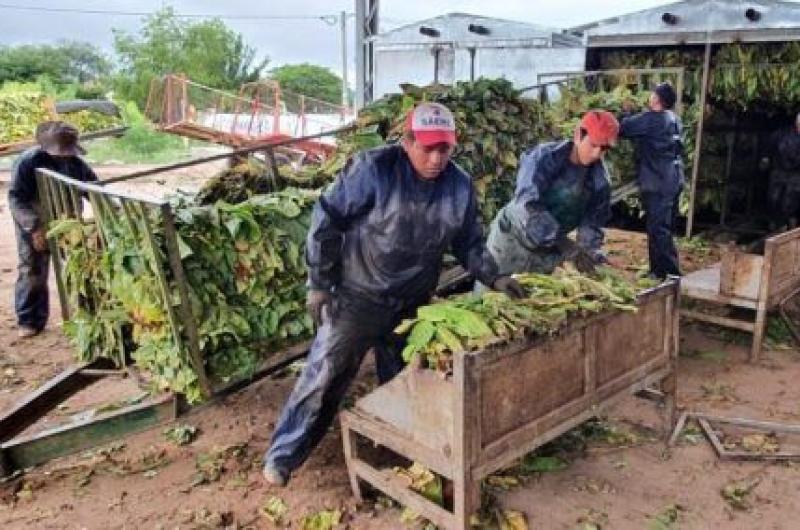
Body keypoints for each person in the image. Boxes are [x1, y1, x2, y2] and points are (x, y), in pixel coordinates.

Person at [262, 102, 523, 486]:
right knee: (324, 376)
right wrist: (319, 282)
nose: (436, 158)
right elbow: (328, 218)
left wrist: (495, 277)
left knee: (404, 380)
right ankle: (284, 455)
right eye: (427, 147)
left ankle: (397, 448)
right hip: (356, 297)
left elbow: (468, 242)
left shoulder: (459, 185)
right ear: (407, 141)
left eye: (445, 149)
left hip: (412, 303)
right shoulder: (373, 169)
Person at [484, 111, 620, 279]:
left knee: (532, 299)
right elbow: (526, 205)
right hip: (511, 239)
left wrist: (590, 255)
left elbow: (591, 226)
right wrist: (563, 242)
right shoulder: (543, 158)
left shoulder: (600, 182)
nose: (596, 154)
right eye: (593, 145)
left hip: (548, 251)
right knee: (491, 295)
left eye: (604, 149)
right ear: (578, 135)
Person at [9, 122, 97, 338]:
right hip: (34, 221)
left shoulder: (76, 164)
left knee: (81, 266)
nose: (65, 156)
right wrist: (35, 227)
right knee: (32, 271)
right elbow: (16, 198)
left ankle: (88, 315)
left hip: (66, 219)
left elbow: (94, 188)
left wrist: (108, 210)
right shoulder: (28, 162)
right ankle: (29, 320)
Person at [619, 82, 684, 280]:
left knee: (658, 229)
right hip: (673, 178)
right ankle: (658, 270)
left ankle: (670, 274)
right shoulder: (674, 119)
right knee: (662, 227)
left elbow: (623, 128)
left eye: (652, 93)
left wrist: (625, 113)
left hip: (658, 181)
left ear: (656, 99)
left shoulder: (652, 119)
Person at [763, 111, 800, 230]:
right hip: (779, 169)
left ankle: (788, 223)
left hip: (796, 173)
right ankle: (775, 221)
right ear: (796, 122)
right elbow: (769, 146)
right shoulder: (782, 133)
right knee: (773, 198)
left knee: (790, 201)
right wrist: (765, 158)